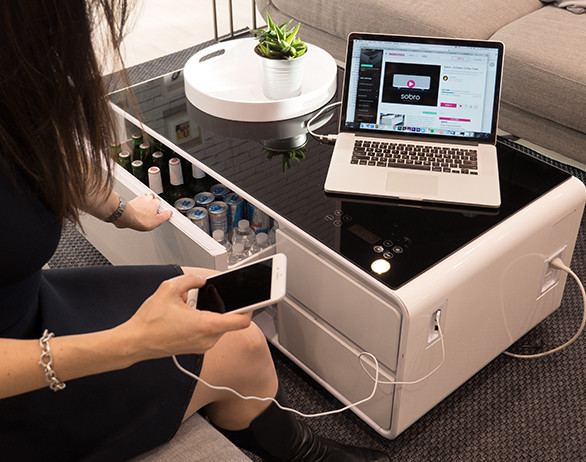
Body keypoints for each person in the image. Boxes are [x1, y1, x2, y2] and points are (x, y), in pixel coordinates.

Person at [0, 2, 390, 461]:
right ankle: (301, 453)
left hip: (29, 305)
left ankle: (273, 437)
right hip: (19, 383)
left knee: (207, 291)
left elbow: (44, 154)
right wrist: (132, 343)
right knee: (243, 345)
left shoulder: (14, 85)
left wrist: (121, 210)